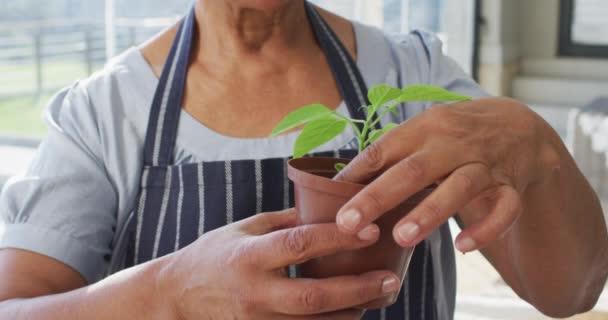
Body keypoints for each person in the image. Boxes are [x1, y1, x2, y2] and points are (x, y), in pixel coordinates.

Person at [0, 1, 606, 319]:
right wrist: (166, 295)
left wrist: (535, 144)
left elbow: (570, 291)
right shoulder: (106, 111)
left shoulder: (412, 72)